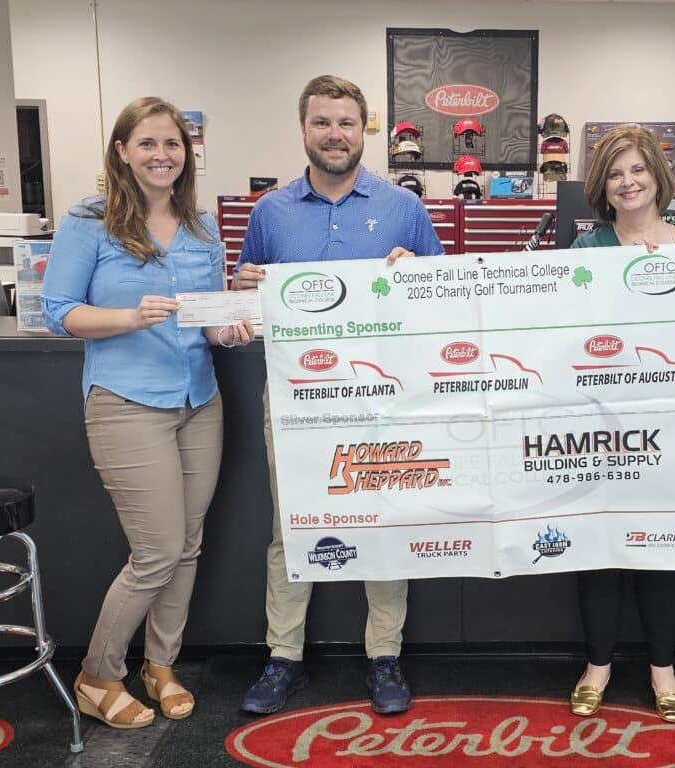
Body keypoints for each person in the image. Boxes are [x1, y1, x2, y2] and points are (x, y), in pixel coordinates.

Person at [232, 75, 443, 716]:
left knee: (382, 522)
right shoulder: (270, 212)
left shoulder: (402, 207)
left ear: (363, 130)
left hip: (383, 397)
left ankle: (384, 655)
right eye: (322, 122)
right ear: (304, 129)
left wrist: (419, 277)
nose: (335, 134)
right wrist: (244, 292)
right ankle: (283, 656)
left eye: (346, 123)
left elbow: (441, 302)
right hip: (295, 396)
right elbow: (244, 310)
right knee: (289, 526)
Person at [41, 97, 254, 729]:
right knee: (156, 551)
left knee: (187, 546)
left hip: (199, 399)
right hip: (126, 403)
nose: (163, 156)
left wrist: (231, 329)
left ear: (188, 155)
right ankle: (98, 673)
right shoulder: (90, 221)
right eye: (149, 144)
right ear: (121, 151)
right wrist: (130, 317)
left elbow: (206, 322)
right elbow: (60, 312)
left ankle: (161, 665)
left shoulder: (203, 225)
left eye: (173, 145)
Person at [568, 124, 675, 723]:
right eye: (615, 173)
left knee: (662, 547)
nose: (628, 182)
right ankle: (598, 664)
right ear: (602, 186)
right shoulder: (586, 252)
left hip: (669, 429)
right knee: (599, 545)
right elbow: (557, 333)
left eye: (638, 170)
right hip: (598, 427)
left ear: (659, 178)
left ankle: (663, 667)